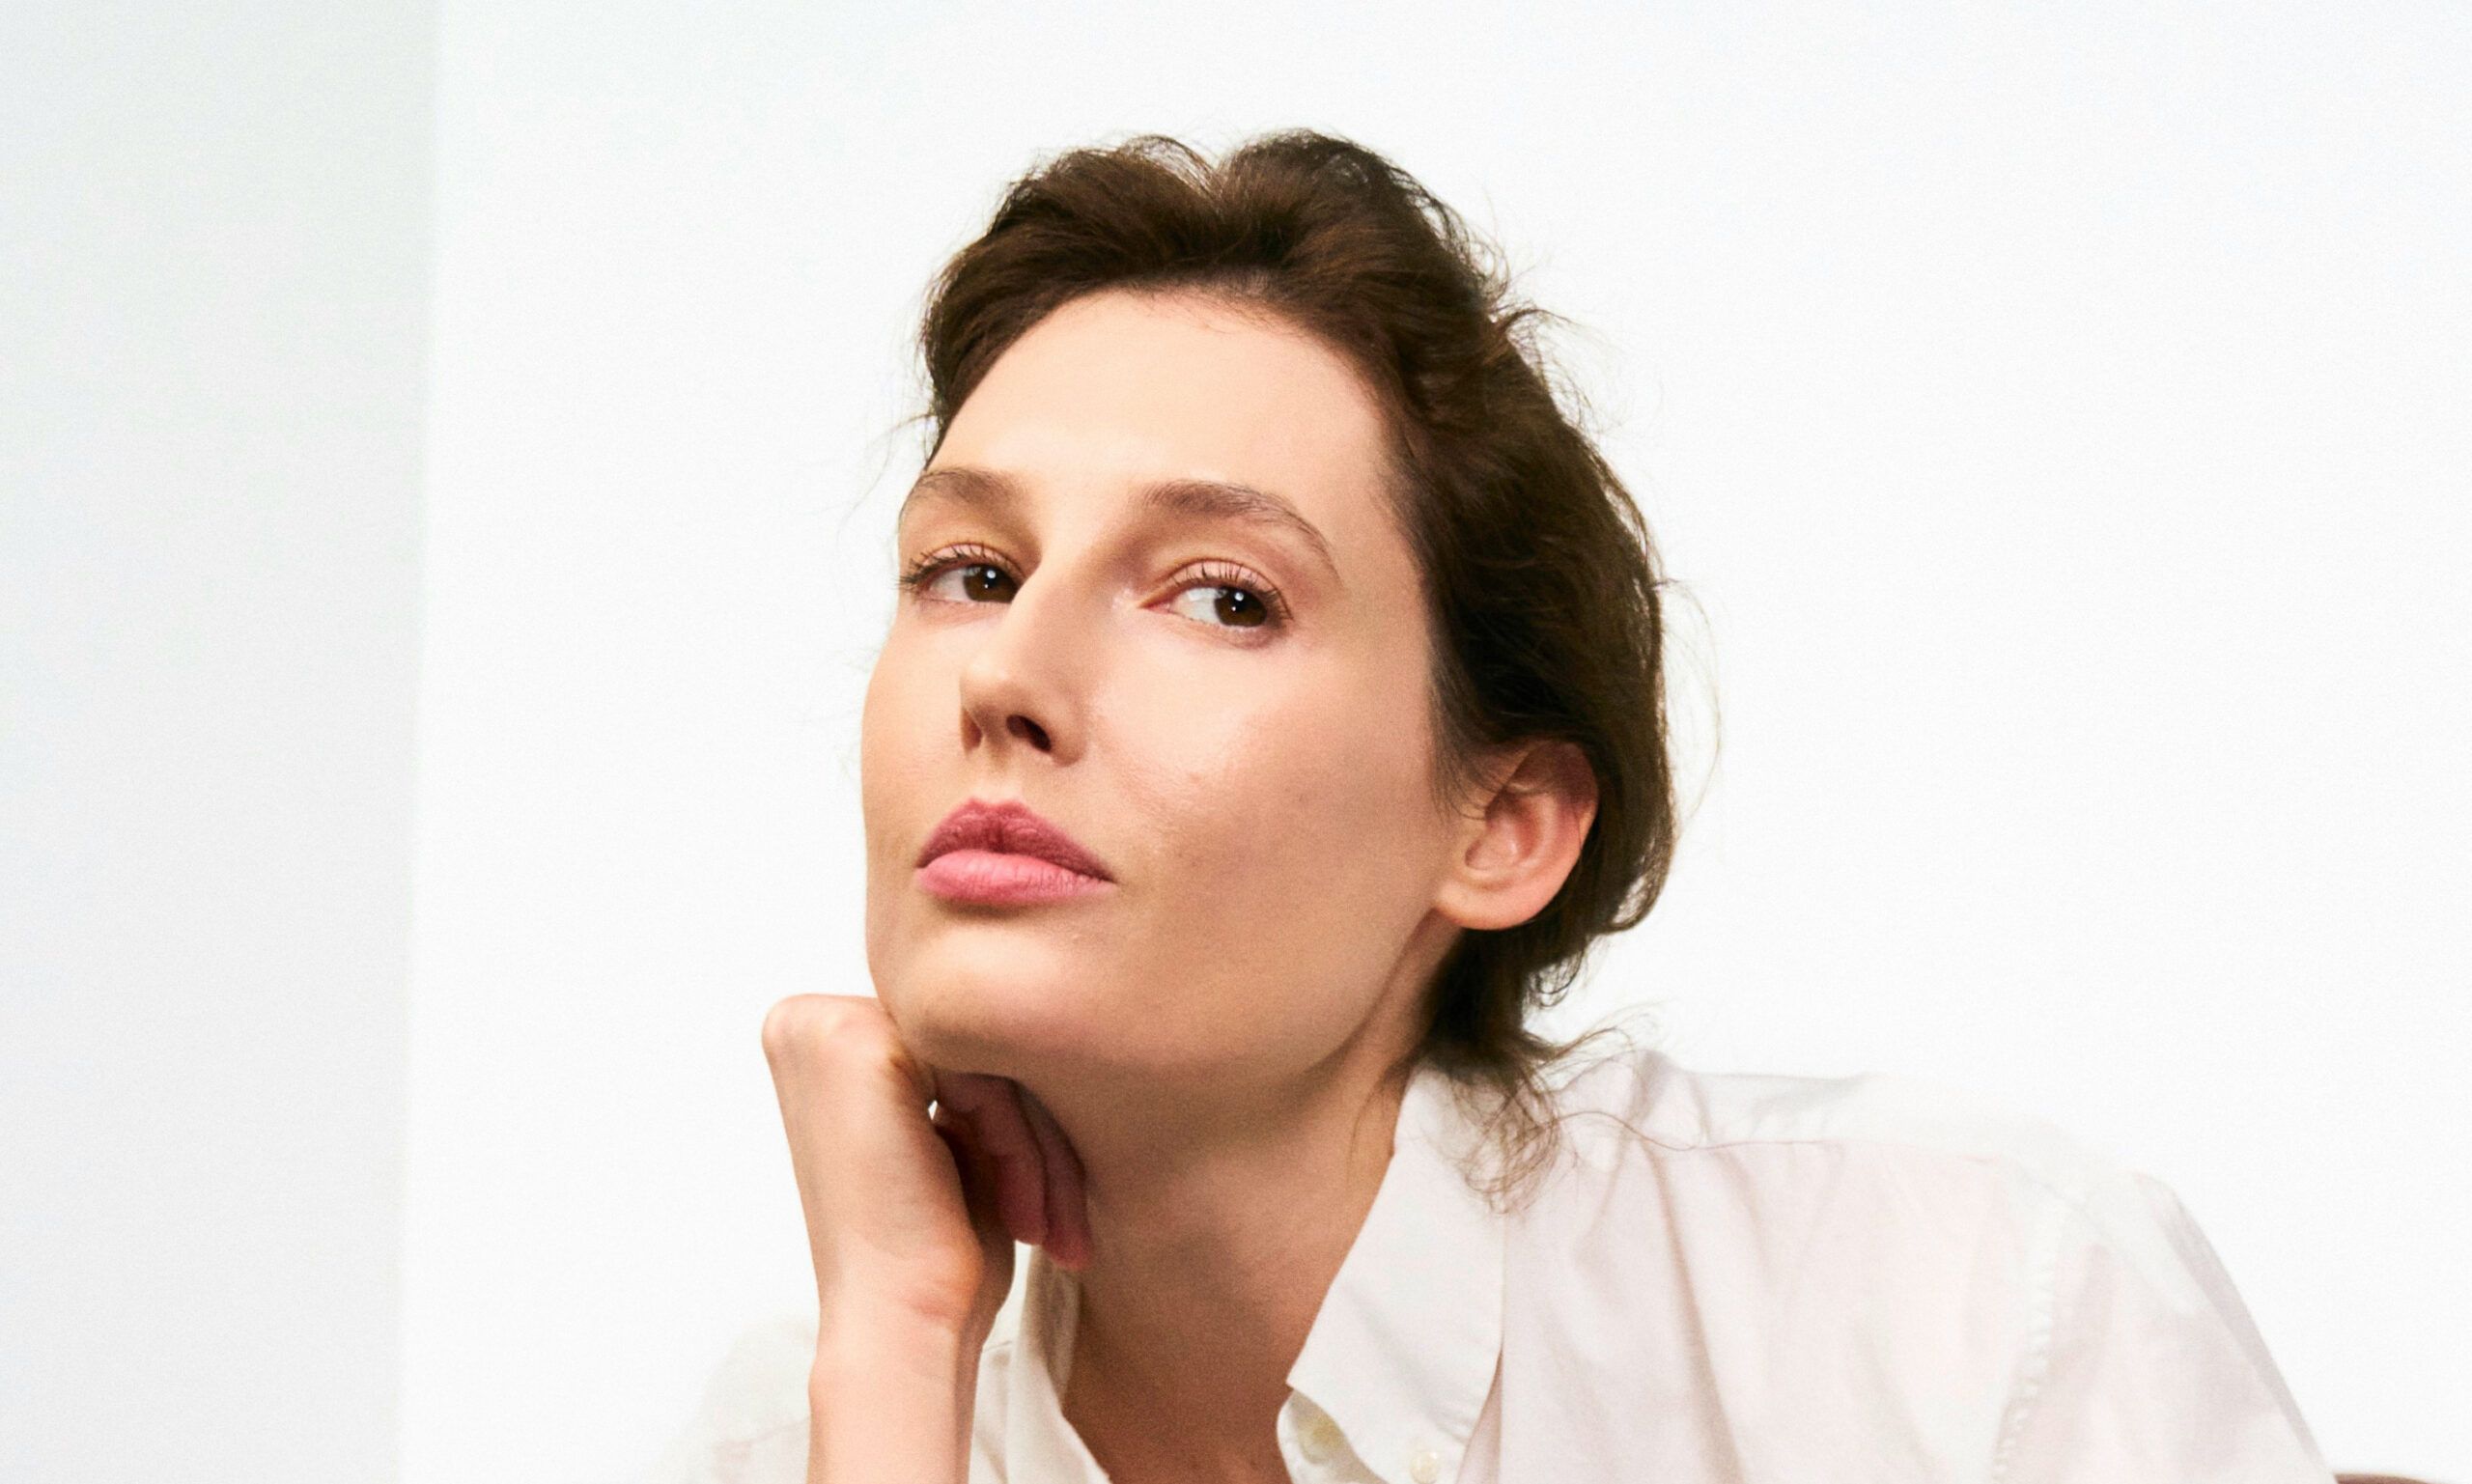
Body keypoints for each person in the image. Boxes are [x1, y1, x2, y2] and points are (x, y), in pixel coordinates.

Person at [646, 130, 2334, 1483]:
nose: (1005, 675)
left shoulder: (1958, 1323)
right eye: (970, 568)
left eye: (1223, 595)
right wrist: (886, 1347)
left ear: (1501, 819)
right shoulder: (811, 1427)